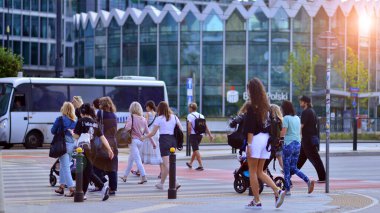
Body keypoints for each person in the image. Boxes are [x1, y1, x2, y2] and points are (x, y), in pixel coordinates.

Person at [243, 78, 285, 209]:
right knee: (260, 171)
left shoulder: (251, 106)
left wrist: (249, 145)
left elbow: (250, 128)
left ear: (251, 90)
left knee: (253, 171)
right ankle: (277, 190)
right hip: (266, 139)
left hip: (255, 140)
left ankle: (257, 200)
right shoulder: (266, 106)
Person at [69, 103, 114, 201]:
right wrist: (109, 149)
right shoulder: (95, 123)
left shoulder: (81, 121)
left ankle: (102, 187)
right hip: (93, 150)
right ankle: (83, 193)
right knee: (87, 171)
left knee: (88, 171)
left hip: (83, 149)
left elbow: (76, 136)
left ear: (82, 112)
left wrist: (72, 133)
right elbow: (103, 138)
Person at [141, 101, 182, 190]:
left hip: (164, 141)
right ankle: (161, 184)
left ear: (160, 108)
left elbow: (153, 133)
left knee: (167, 164)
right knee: (166, 164)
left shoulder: (159, 118)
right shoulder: (174, 117)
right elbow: (181, 129)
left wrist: (144, 137)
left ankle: (175, 182)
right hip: (173, 141)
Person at [281, 100, 315, 195]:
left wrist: (276, 136)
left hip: (289, 144)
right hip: (297, 144)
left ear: (284, 109)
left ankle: (287, 190)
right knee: (294, 167)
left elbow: (283, 133)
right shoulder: (297, 118)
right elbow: (299, 132)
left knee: (286, 168)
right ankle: (307, 181)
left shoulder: (286, 118)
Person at [120, 102, 156, 184]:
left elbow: (127, 128)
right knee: (131, 159)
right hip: (140, 141)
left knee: (137, 159)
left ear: (132, 109)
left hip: (133, 141)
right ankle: (125, 176)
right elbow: (148, 132)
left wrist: (126, 125)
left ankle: (143, 176)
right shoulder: (143, 119)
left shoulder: (131, 117)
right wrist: (153, 143)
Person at [92, 97, 119, 196]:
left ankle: (101, 183)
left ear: (102, 104)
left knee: (95, 166)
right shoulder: (114, 115)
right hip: (113, 142)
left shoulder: (100, 113)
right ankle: (112, 189)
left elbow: (96, 127)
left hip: (104, 142)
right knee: (112, 167)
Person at [297, 96, 326, 183]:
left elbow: (301, 126)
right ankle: (290, 171)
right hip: (310, 138)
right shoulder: (312, 111)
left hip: (308, 140)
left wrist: (296, 135)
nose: (300, 103)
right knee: (301, 158)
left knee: (315, 159)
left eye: (301, 102)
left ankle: (323, 177)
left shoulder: (306, 112)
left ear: (305, 102)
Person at [51, 102, 77, 197]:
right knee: (63, 165)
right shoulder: (75, 120)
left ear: (63, 109)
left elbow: (53, 131)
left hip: (63, 145)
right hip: (72, 145)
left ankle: (71, 188)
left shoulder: (60, 119)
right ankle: (61, 187)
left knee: (65, 167)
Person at [185, 102, 214, 171]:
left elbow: (189, 127)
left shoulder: (190, 115)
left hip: (193, 135)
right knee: (195, 149)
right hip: (200, 135)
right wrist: (210, 135)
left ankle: (200, 165)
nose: (188, 109)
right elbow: (205, 126)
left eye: (189, 108)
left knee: (196, 149)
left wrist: (189, 134)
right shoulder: (201, 115)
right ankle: (190, 163)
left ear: (191, 108)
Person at [141, 101, 162, 177]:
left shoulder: (147, 114)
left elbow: (145, 124)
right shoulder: (157, 114)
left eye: (146, 106)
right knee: (157, 152)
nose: (146, 108)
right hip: (156, 133)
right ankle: (161, 171)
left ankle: (139, 170)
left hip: (149, 133)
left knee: (143, 151)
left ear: (149, 107)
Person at [263, 104, 284, 172]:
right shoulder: (280, 121)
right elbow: (282, 133)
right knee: (281, 161)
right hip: (279, 143)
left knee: (264, 163)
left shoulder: (271, 121)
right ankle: (287, 176)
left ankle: (264, 178)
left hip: (272, 144)